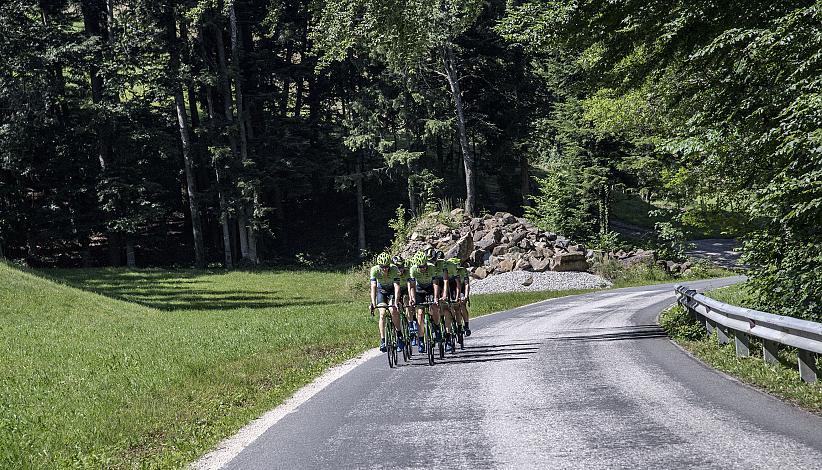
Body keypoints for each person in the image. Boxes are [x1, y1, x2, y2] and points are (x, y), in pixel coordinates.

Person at [408, 251, 443, 352]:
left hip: (430, 288)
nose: (423, 269)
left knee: (435, 307)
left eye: (424, 266)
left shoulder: (431, 267)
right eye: (420, 267)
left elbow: (435, 284)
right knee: (420, 314)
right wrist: (413, 298)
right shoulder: (413, 270)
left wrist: (436, 298)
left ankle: (436, 327)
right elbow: (412, 286)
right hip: (419, 289)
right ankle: (421, 340)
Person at [369, 252, 404, 353]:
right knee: (382, 314)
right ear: (379, 266)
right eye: (382, 267)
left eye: (386, 266)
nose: (385, 269)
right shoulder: (374, 270)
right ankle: (383, 340)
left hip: (392, 291)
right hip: (382, 291)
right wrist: (373, 303)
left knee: (393, 310)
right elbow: (373, 287)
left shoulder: (394, 269)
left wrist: (396, 302)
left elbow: (397, 287)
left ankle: (399, 335)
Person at [392, 255, 420, 345]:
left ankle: (411, 325)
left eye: (401, 267)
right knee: (393, 309)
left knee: (406, 300)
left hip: (405, 290)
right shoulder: (391, 273)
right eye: (397, 267)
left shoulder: (408, 272)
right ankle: (397, 333)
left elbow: (410, 287)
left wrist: (411, 299)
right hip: (394, 291)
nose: (400, 269)